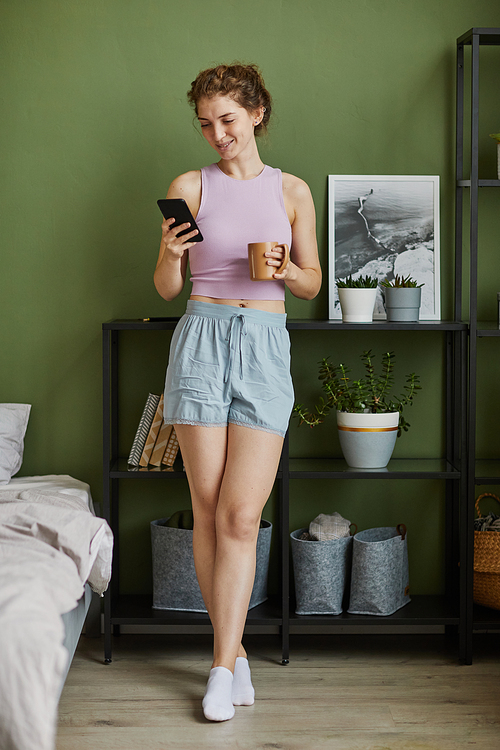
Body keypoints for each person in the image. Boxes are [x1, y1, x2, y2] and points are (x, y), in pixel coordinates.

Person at [154, 63, 321, 722]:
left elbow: (309, 284)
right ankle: (227, 663)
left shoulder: (293, 193)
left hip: (265, 349)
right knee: (206, 506)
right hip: (201, 339)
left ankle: (227, 662)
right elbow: (168, 288)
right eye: (205, 123)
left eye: (227, 119)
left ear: (256, 113)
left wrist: (285, 267)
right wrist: (170, 252)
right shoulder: (189, 187)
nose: (216, 134)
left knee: (241, 516)